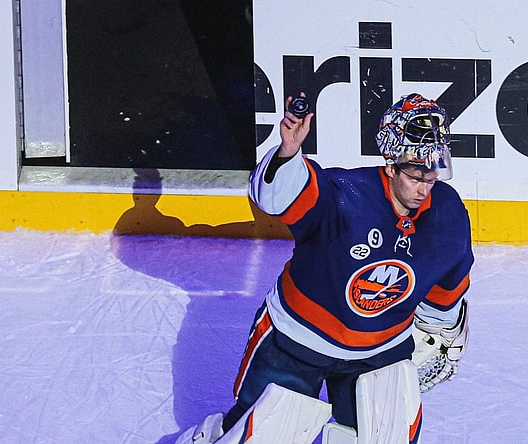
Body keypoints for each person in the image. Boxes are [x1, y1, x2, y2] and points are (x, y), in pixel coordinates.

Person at [177, 93, 474, 443]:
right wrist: (289, 152)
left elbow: (445, 290)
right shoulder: (343, 195)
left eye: (433, 172)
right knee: (263, 434)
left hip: (381, 350)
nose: (425, 186)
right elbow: (276, 198)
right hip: (297, 340)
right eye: (415, 174)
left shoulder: (447, 215)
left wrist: (441, 332)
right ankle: (213, 436)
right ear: (391, 164)